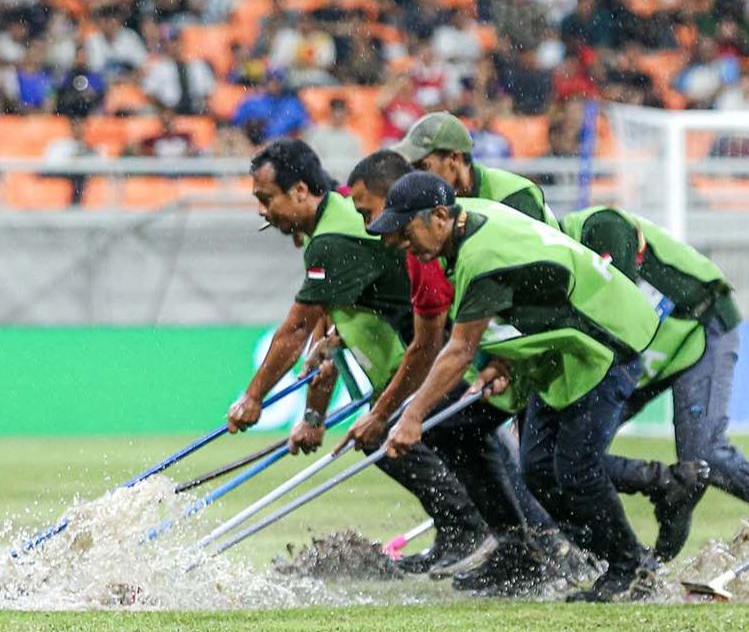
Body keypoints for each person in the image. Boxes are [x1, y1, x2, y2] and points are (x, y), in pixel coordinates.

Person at [370, 174, 661, 601]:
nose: (398, 242)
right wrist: (503, 360)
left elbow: (459, 350)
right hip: (560, 351)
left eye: (404, 230)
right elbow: (529, 289)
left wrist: (411, 418)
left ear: (439, 217)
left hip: (607, 342)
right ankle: (607, 559)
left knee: (576, 468)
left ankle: (630, 568)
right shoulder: (472, 222)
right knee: (539, 471)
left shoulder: (482, 254)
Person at [227, 139, 498, 569]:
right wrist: (313, 417)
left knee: (390, 434)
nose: (263, 210)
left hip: (430, 351)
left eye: (266, 198)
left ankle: (474, 533)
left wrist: (253, 398)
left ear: (299, 191)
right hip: (418, 351)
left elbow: (297, 327)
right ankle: (470, 535)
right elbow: (322, 328)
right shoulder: (332, 220)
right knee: (409, 439)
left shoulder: (333, 238)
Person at [344, 149, 582, 587]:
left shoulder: (447, 243)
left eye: (380, 217)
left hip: (545, 351)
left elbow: (440, 346)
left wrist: (396, 415)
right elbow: (435, 342)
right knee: (483, 439)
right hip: (501, 358)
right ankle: (519, 548)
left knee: (537, 460)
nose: (385, 236)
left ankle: (557, 551)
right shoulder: (427, 246)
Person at [560, 206, 747, 559]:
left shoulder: (599, 229)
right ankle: (632, 550)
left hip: (701, 325)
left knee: (705, 455)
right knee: (573, 457)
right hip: (642, 349)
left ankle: (659, 508)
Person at [396, 112, 557, 226]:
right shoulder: (438, 202)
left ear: (454, 158)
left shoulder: (513, 196)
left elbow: (534, 266)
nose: (416, 177)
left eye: (424, 166)